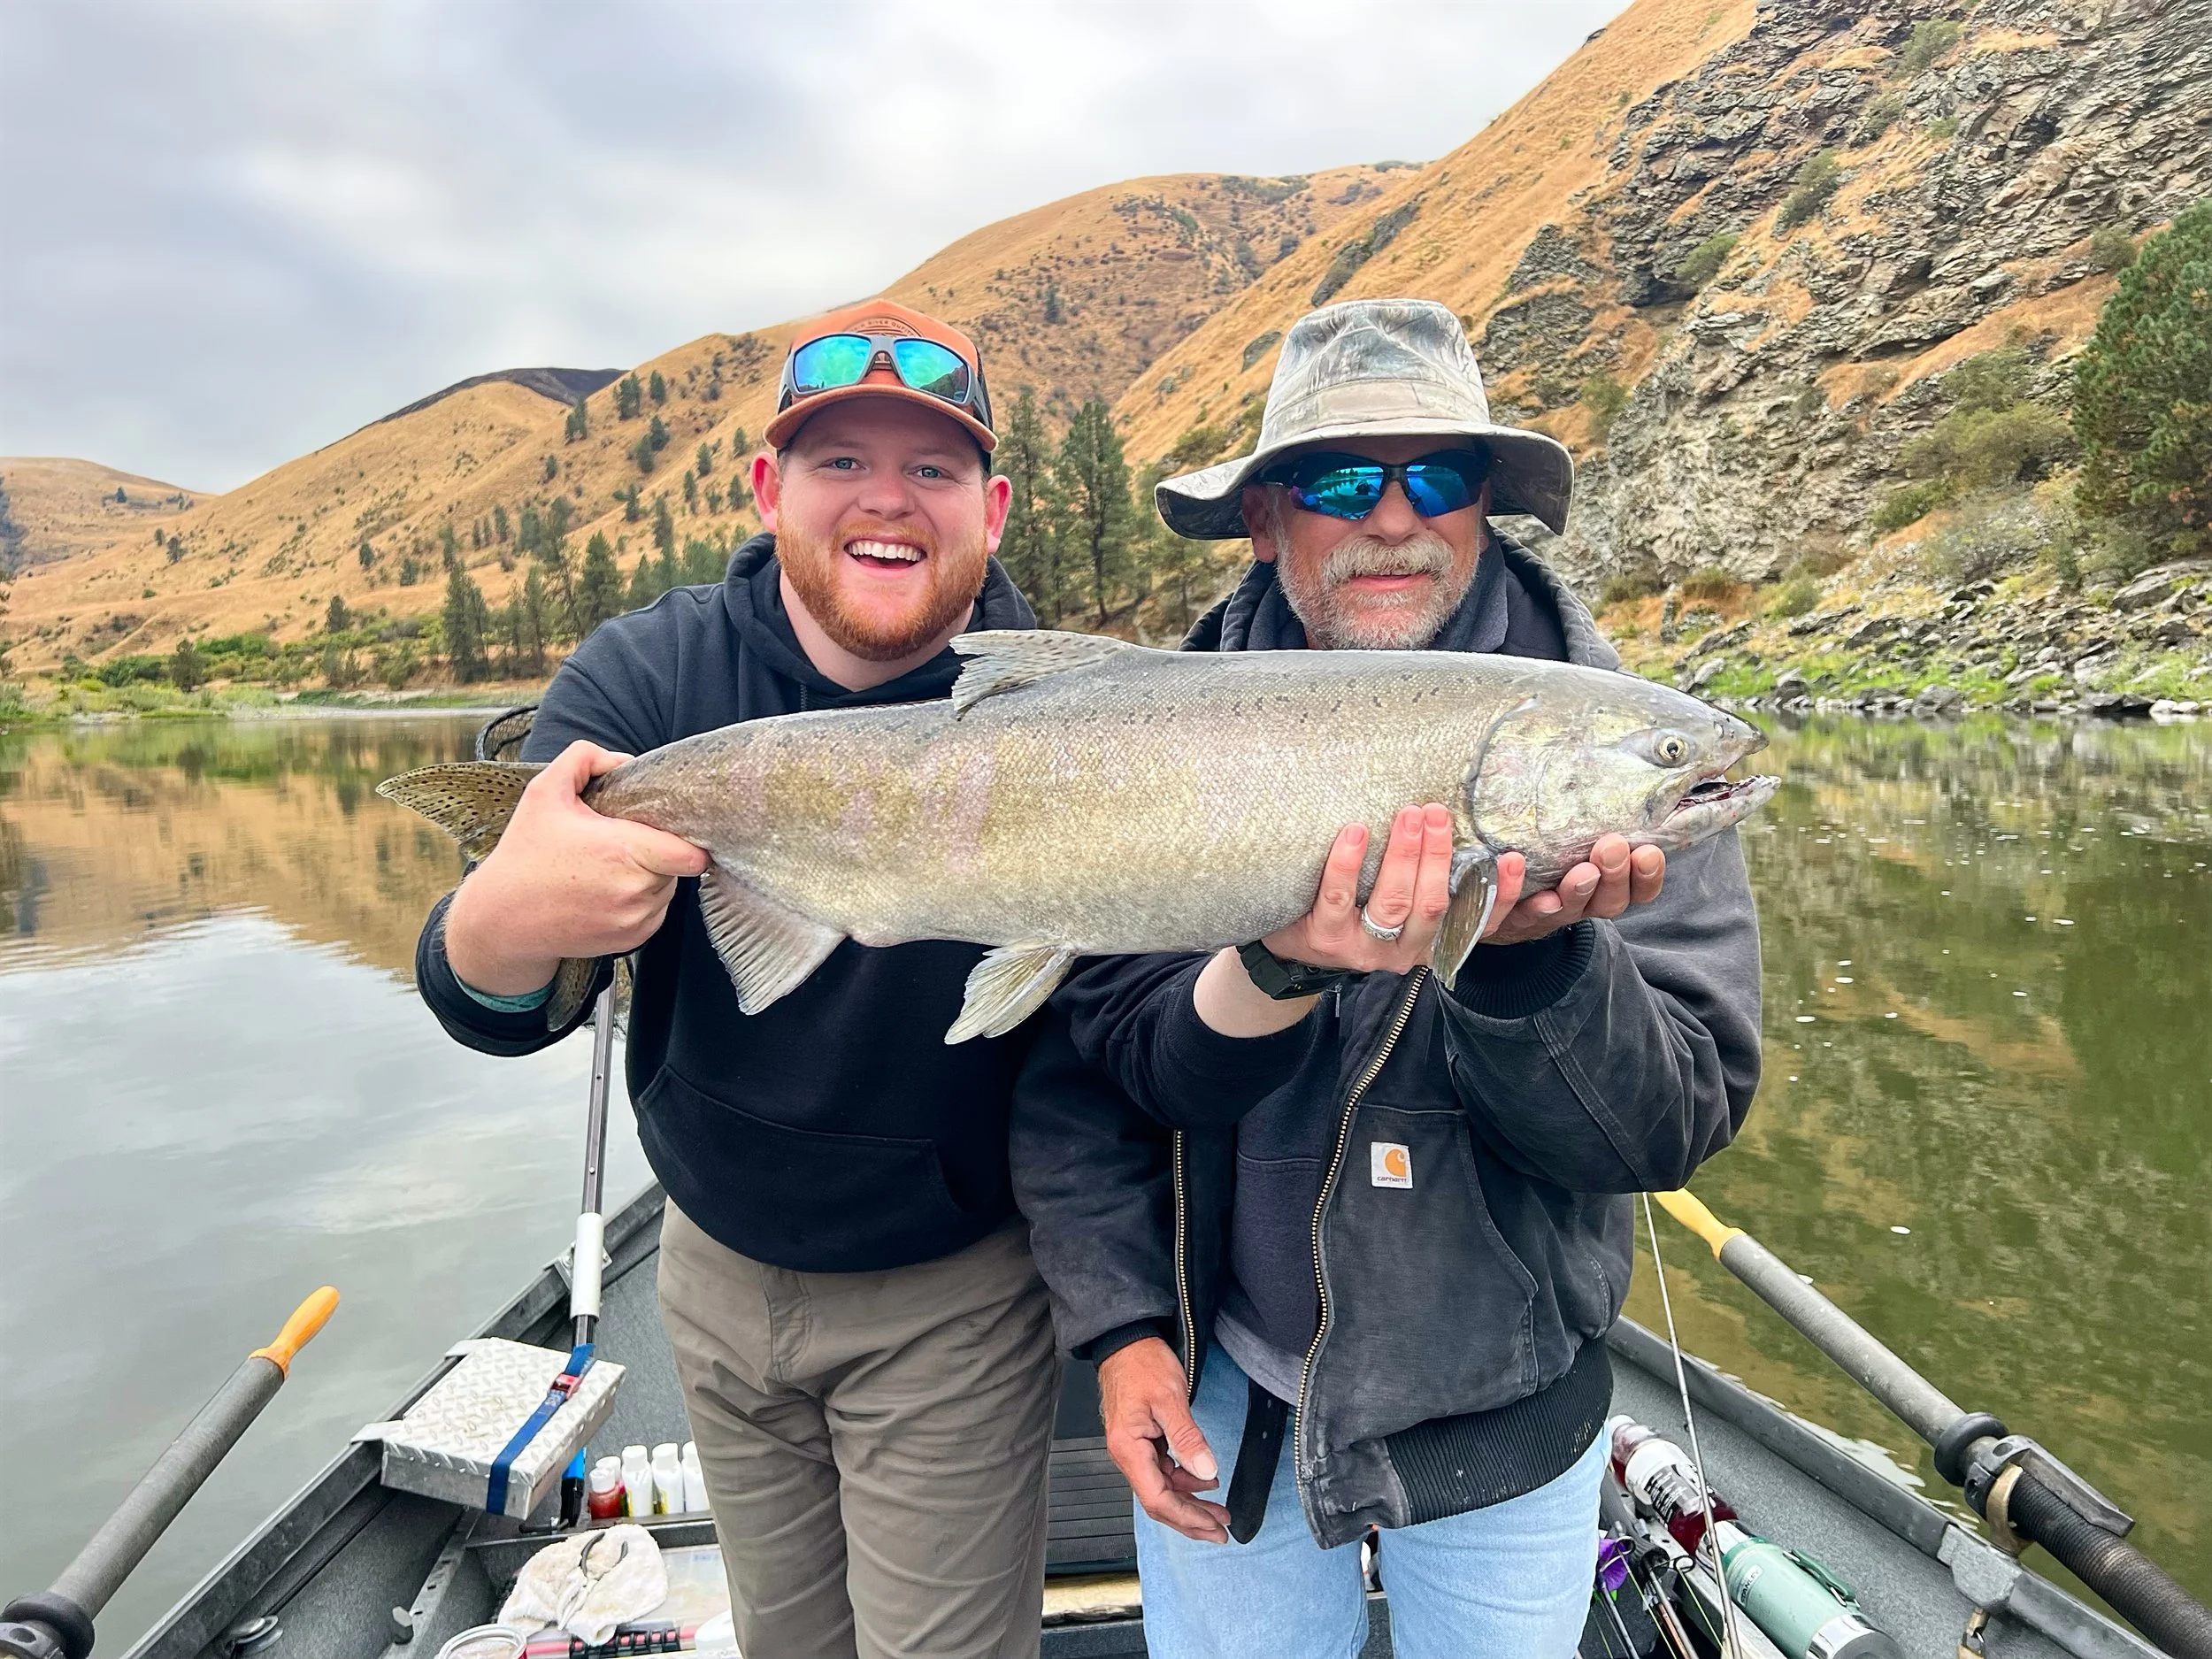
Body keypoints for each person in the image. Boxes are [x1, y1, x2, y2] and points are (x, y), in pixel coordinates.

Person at [1011, 298, 1763, 1658]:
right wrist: (1125, 1331)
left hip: (1506, 1410)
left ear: (1485, 507)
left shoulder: (1613, 738)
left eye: (1441, 475)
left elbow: (1670, 1128)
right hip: (1222, 1388)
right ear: (1265, 517)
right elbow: (1088, 1076)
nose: (1396, 517)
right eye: (1344, 478)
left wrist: (1540, 971)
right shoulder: (1142, 726)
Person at [414, 300, 1061, 1659]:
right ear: (771, 489)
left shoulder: (1059, 710)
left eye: (933, 470)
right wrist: (502, 914)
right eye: (841, 463)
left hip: (948, 1287)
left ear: (990, 507)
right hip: (707, 1265)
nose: (888, 502)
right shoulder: (647, 677)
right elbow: (492, 1001)